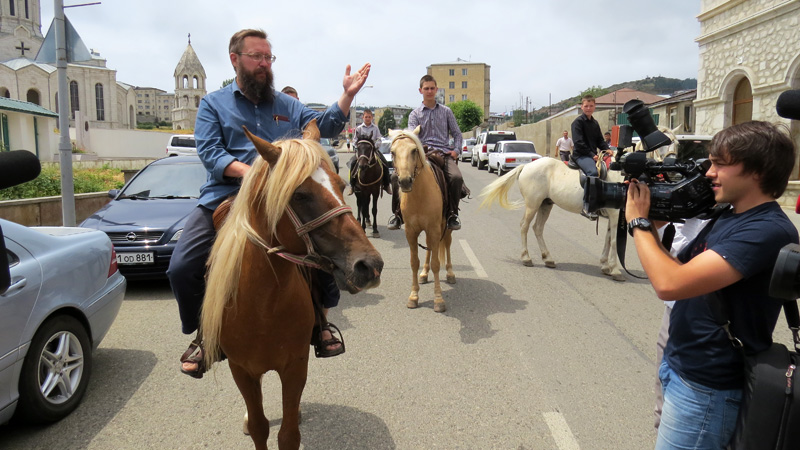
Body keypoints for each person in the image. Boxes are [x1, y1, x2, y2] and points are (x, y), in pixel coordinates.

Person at [167, 28, 371, 378]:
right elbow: (211, 153)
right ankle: (205, 335)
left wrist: (346, 97)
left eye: (268, 57)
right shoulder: (213, 104)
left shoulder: (285, 104)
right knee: (182, 266)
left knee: (318, 243)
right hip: (227, 195)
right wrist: (257, 175)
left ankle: (320, 323)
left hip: (283, 198)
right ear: (236, 60)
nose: (264, 64)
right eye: (256, 57)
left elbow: (322, 124)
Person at [625, 121, 798, 449]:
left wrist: (638, 222)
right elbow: (681, 271)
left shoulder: (767, 230)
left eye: (720, 163)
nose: (709, 172)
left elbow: (669, 283)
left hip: (707, 388)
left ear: (757, 172)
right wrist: (656, 225)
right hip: (683, 366)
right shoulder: (729, 214)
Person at [388, 74, 463, 231]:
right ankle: (398, 214)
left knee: (456, 178)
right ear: (420, 90)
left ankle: (452, 215)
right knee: (395, 177)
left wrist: (456, 151)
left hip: (443, 153)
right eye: (426, 88)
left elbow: (457, 134)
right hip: (422, 155)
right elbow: (411, 137)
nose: (429, 91)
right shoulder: (415, 114)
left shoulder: (447, 111)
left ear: (436, 90)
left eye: (432, 88)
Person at [572, 94, 609, 219]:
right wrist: (592, 155)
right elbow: (578, 143)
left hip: (593, 155)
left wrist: (608, 149)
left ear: (594, 107)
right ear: (582, 107)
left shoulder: (595, 123)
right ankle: (586, 206)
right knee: (593, 172)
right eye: (586, 106)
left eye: (591, 106)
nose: (588, 108)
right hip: (581, 155)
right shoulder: (577, 123)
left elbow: (600, 140)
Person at [347, 109, 391, 195]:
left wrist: (375, 146)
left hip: (373, 151)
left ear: (372, 118)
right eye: (366, 117)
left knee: (385, 163)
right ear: (363, 117)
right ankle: (352, 185)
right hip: (362, 152)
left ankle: (386, 185)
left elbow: (379, 139)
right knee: (352, 163)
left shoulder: (375, 128)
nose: (367, 118)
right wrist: (358, 147)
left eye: (369, 117)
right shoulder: (359, 128)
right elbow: (355, 140)